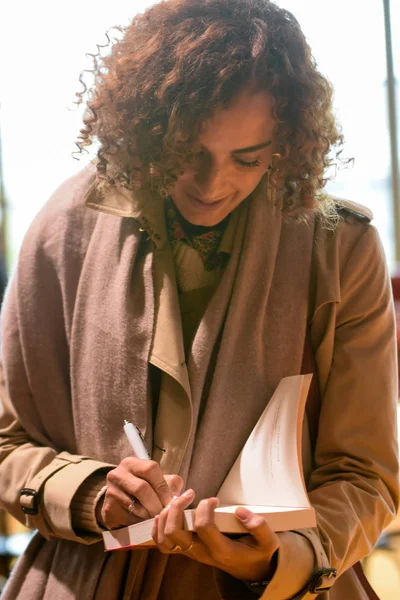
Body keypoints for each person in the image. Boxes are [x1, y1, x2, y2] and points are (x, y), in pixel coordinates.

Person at [0, 0, 398, 598]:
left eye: (248, 159)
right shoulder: (63, 230)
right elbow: (8, 444)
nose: (213, 186)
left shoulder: (341, 249)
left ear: (287, 144)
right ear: (146, 131)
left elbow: (365, 477)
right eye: (190, 154)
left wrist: (281, 559)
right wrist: (87, 494)